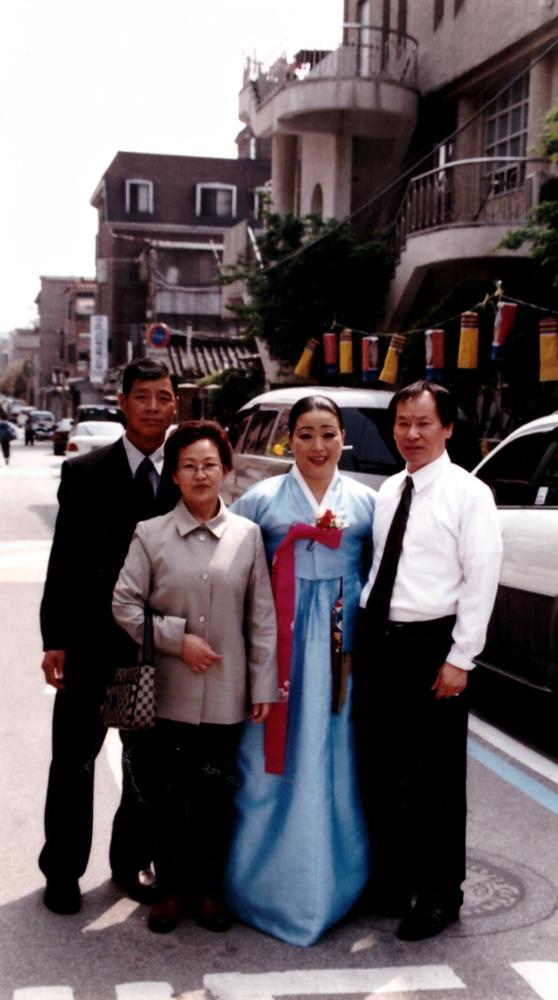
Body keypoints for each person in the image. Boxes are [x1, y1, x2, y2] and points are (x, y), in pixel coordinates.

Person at [112, 420, 277, 934]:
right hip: (166, 694)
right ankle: (168, 891)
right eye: (189, 465)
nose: (201, 474)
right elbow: (124, 603)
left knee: (214, 799)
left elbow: (262, 617)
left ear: (226, 471)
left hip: (226, 696)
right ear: (175, 476)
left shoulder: (248, 537)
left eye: (210, 464)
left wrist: (263, 685)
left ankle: (206, 892)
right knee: (164, 799)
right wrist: (176, 639)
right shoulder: (151, 534)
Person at [223, 395, 376, 946]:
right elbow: (234, 572)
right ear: (290, 440)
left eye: (328, 434)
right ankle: (260, 882)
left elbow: (379, 578)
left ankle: (340, 882)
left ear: (343, 439)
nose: (318, 446)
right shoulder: (259, 500)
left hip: (341, 642)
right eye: (306, 434)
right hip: (278, 640)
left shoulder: (367, 501)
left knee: (335, 755)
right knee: (268, 753)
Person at [354, 380, 503, 942]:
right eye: (401, 423)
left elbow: (481, 578)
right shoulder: (390, 490)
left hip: (432, 646)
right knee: (383, 768)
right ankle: (393, 882)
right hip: (381, 640)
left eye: (422, 423)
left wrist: (461, 657)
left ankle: (442, 895)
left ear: (448, 429)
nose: (410, 434)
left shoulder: (470, 495)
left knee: (436, 779)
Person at [38, 358, 179, 915]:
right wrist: (55, 639)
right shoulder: (86, 472)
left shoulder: (186, 472)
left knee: (145, 764)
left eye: (162, 397)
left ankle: (129, 865)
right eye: (142, 396)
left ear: (175, 405)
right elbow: (64, 561)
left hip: (153, 646)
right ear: (122, 403)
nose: (152, 407)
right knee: (73, 761)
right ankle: (63, 871)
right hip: (92, 643)